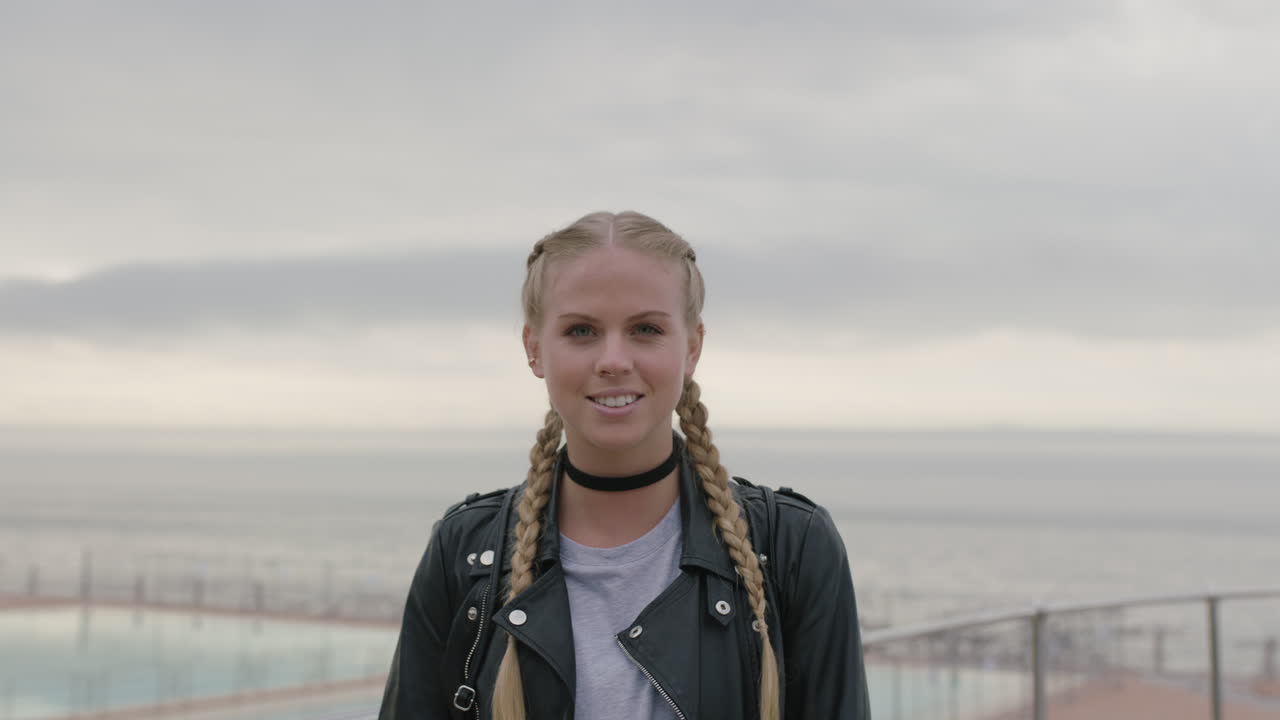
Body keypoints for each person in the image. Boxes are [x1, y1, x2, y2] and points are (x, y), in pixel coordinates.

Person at [379, 211, 870, 719]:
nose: (613, 359)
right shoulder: (463, 552)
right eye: (582, 330)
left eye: (645, 329)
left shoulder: (793, 546)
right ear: (534, 349)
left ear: (693, 347)